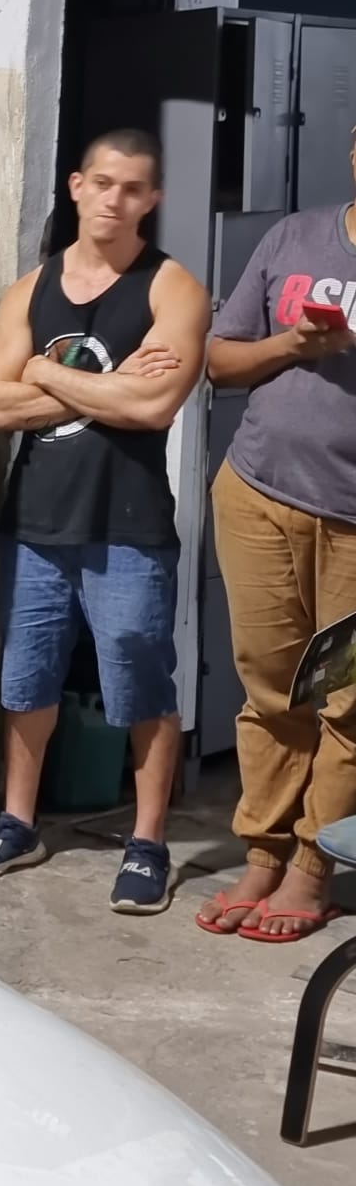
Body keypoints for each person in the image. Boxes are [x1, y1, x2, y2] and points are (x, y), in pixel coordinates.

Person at [0, 129, 210, 914]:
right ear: (75, 186)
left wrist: (42, 370)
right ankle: (17, 823)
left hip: (129, 524)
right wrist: (105, 382)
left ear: (152, 199)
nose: (114, 200)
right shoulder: (29, 290)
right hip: (34, 519)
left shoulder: (172, 288)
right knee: (26, 678)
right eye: (102, 183)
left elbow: (154, 405)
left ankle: (148, 841)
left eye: (132, 188)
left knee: (140, 681)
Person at [195, 159, 356, 941]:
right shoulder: (295, 237)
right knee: (270, 691)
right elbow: (220, 361)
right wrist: (295, 343)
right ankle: (262, 852)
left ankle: (313, 868)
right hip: (259, 495)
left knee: (349, 705)